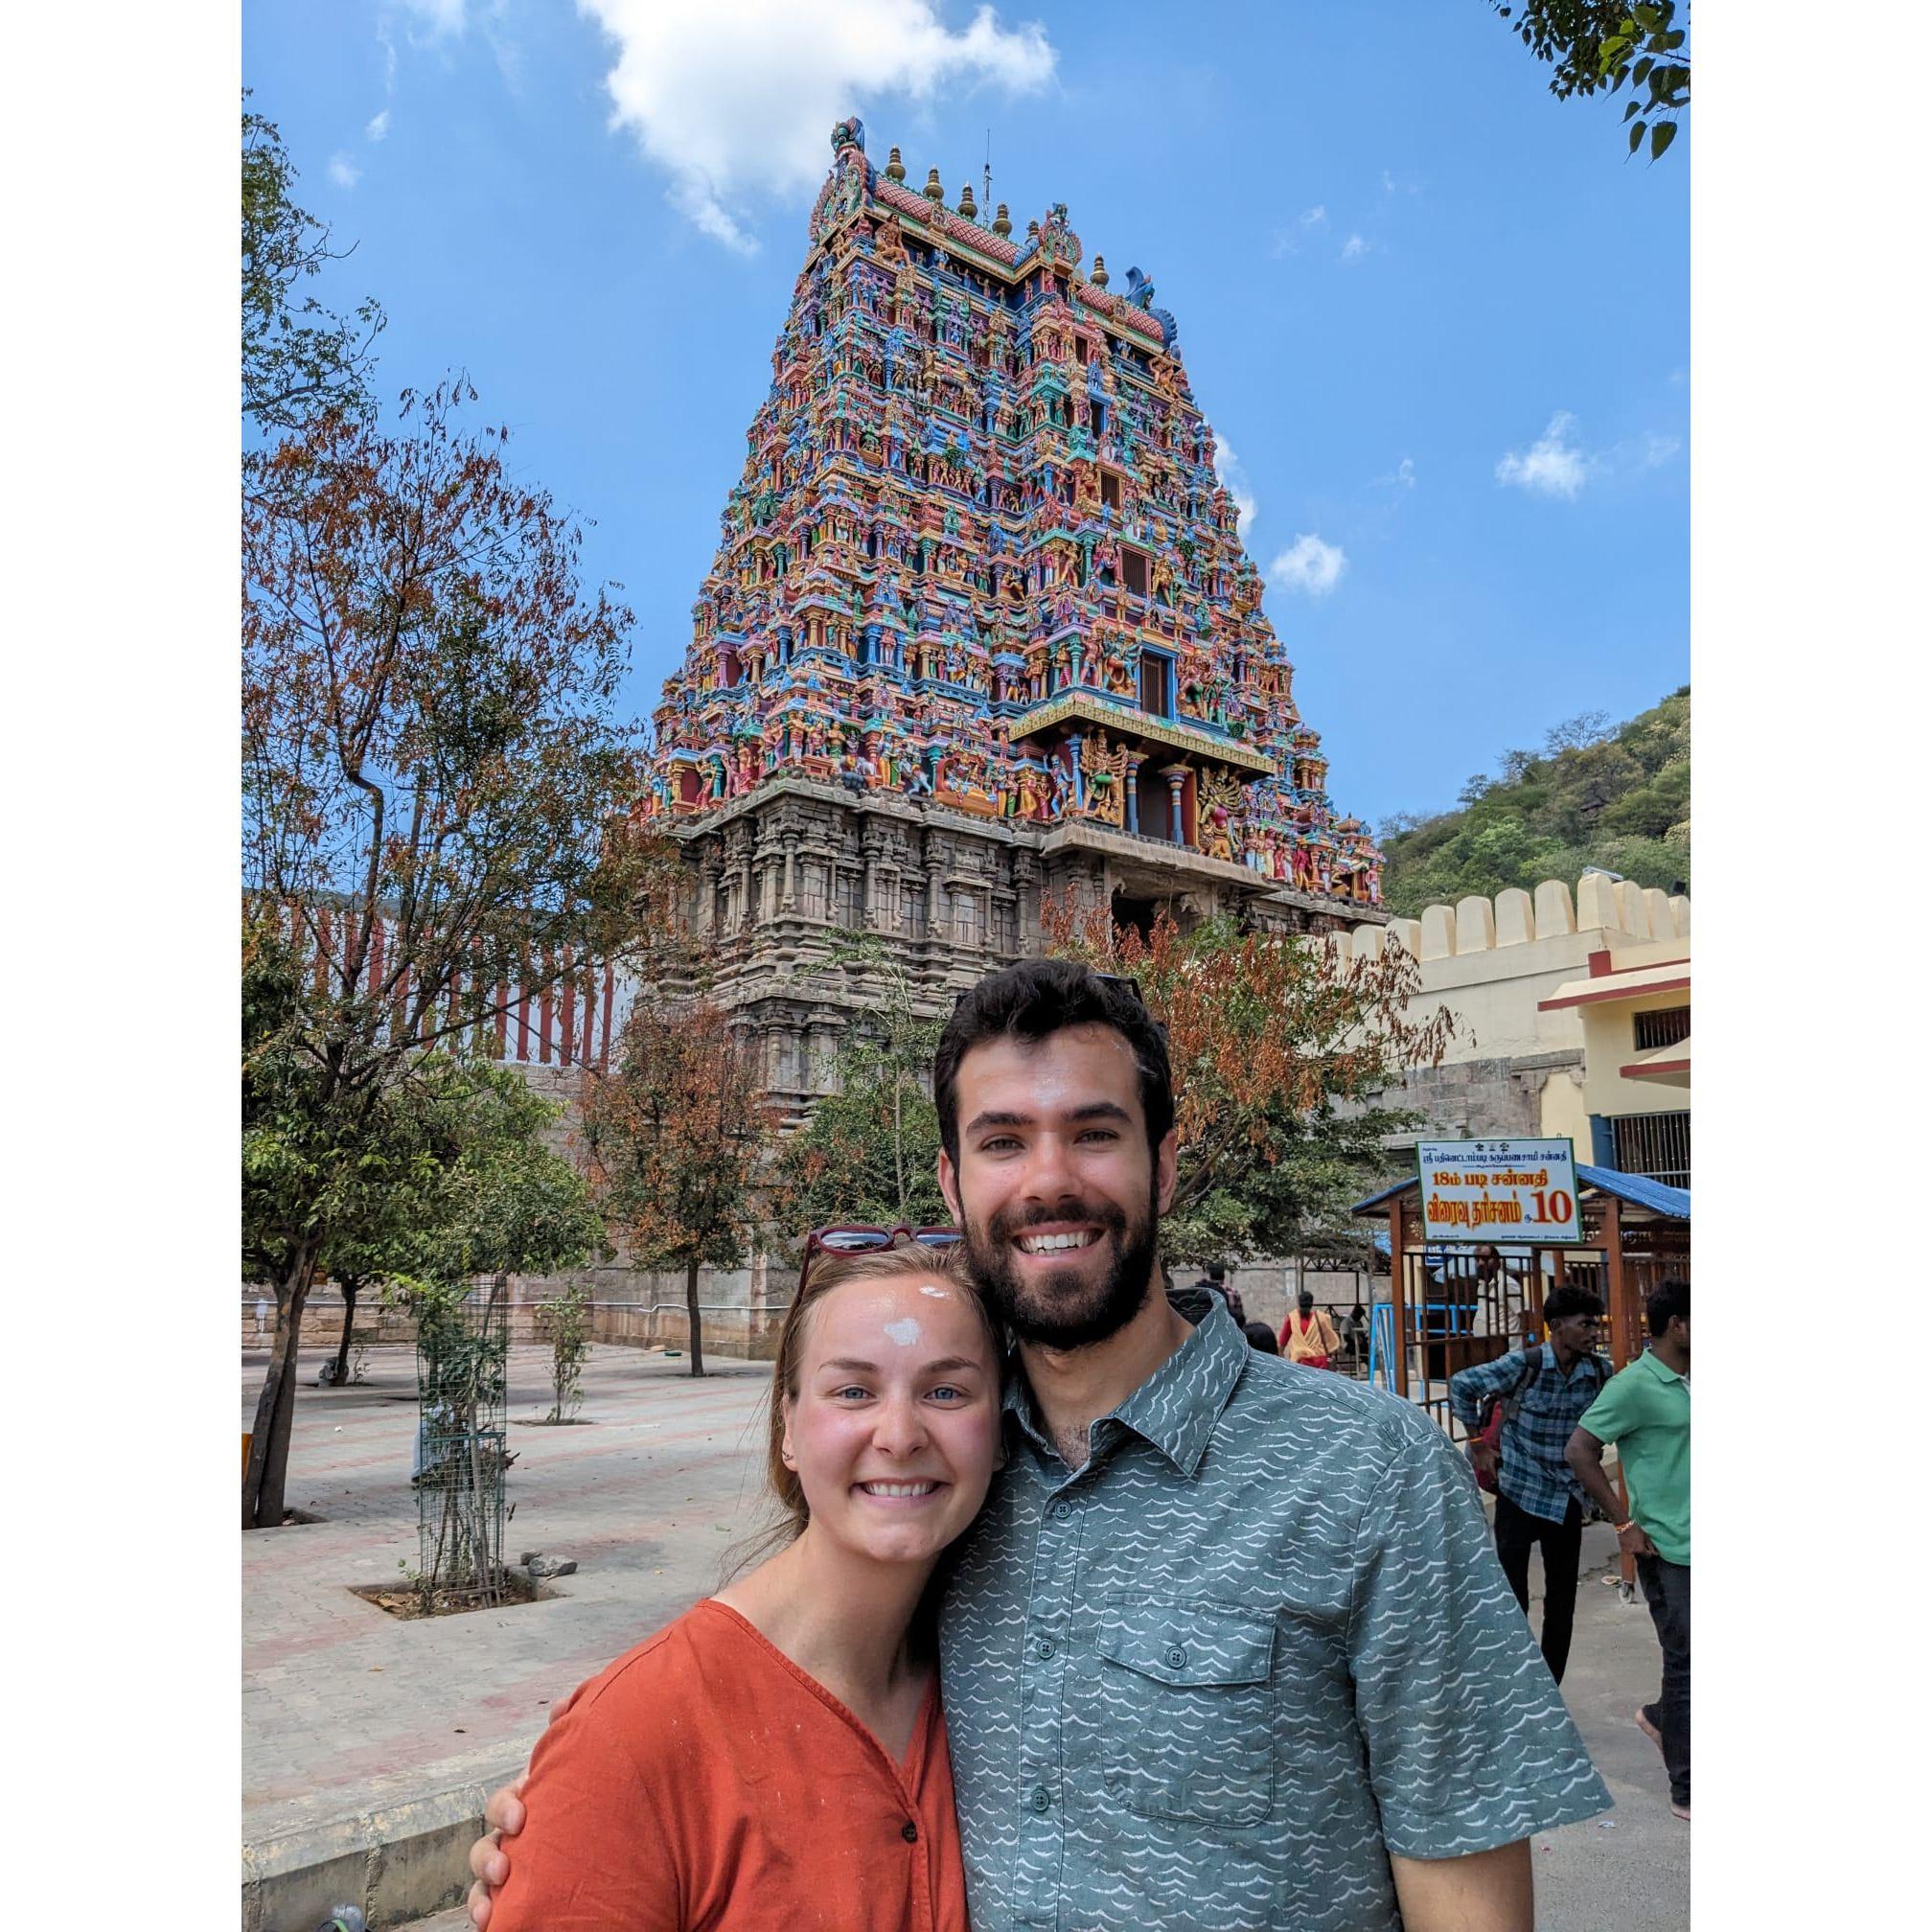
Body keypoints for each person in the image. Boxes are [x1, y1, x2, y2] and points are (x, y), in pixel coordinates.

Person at [472, 961, 1607, 1931]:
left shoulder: (1369, 1470)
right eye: (1004, 1141)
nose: (1050, 1179)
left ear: (1165, 1163)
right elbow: (782, 1683)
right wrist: (599, 1808)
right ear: (954, 1182)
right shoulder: (948, 1476)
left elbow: (1467, 1884)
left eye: (1094, 1134)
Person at [477, 1236, 1002, 1929]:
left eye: (946, 1392)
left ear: (1001, 1432)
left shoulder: (1001, 1689)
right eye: (853, 1392)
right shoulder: (634, 1735)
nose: (900, 1435)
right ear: (788, 1429)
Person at [1568, 1277, 1691, 1822]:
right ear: (1677, 1325)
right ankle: (1687, 1786)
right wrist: (1623, 1524)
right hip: (1668, 1548)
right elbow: (1580, 1450)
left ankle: (1664, 1718)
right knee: (1689, 1665)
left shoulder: (1694, 1379)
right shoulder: (1634, 1385)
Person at [1448, 1285, 1613, 1685]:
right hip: (1519, 1492)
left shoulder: (1598, 1373)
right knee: (1512, 1599)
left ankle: (1549, 1688)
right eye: (1585, 1324)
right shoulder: (1524, 1364)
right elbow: (1461, 1385)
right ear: (1557, 1326)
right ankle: (1513, 1684)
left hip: (1566, 1498)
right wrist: (1477, 1444)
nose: (1594, 1333)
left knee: (1562, 1602)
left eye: (1597, 1324)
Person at [1277, 1286, 1342, 1368]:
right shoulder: (1321, 1318)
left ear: (1299, 1303)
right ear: (1311, 1304)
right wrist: (1330, 1356)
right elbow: (1329, 1339)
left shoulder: (1292, 1318)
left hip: (1299, 1362)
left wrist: (1280, 1354)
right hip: (1319, 1362)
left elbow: (1283, 1339)